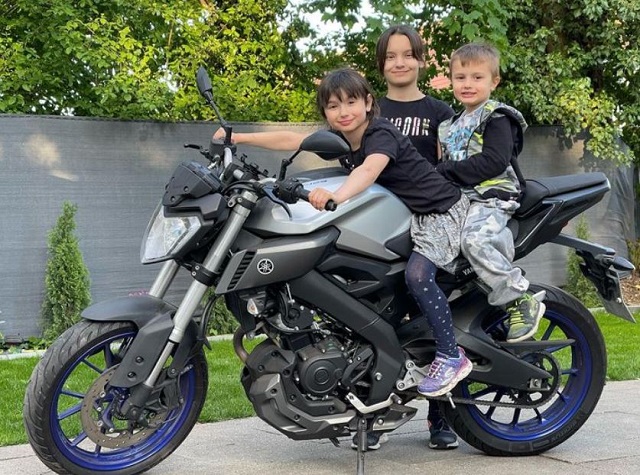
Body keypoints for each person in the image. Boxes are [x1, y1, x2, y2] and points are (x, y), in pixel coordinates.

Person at [214, 67, 473, 450]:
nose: (343, 111)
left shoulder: (379, 135)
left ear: (369, 103)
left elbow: (370, 170)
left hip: (441, 212)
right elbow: (294, 140)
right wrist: (236, 136)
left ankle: (451, 355)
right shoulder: (342, 141)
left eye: (352, 101)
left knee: (419, 276)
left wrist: (338, 196)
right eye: (333, 106)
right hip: (412, 217)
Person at [374, 24, 460, 451]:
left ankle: (440, 417)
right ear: (382, 64)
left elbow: (452, 167)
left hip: (430, 225)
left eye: (408, 54)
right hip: (379, 228)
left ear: (422, 60)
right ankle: (370, 410)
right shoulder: (371, 111)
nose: (400, 62)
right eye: (391, 56)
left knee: (430, 320)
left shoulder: (441, 112)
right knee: (377, 316)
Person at [436, 42, 545, 343]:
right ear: (451, 80)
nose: (467, 84)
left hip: (492, 195)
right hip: (460, 199)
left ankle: (519, 298)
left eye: (477, 77)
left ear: (494, 81)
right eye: (461, 77)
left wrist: (444, 172)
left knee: (475, 240)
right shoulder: (449, 125)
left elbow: (494, 162)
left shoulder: (496, 116)